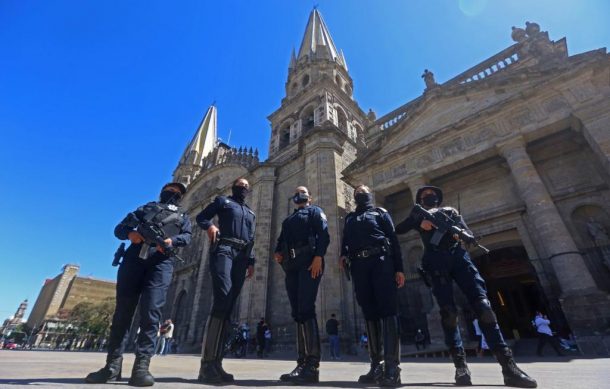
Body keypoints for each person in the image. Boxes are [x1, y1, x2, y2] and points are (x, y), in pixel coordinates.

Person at [395, 186, 537, 388]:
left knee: (484, 308)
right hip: (435, 261)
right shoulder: (418, 215)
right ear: (419, 199)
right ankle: (460, 367)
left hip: (459, 258)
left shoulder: (451, 212)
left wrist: (460, 235)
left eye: (431, 194)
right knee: (449, 314)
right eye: (424, 195)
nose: (429, 196)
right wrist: (419, 222)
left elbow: (467, 232)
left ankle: (509, 367)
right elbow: (399, 229)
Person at [85, 182, 192, 387]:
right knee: (122, 314)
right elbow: (120, 229)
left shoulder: (183, 217)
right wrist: (130, 234)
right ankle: (112, 367)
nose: (174, 194)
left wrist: (172, 242)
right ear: (163, 190)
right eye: (171, 189)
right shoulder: (145, 208)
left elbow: (187, 237)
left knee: (152, 314)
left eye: (178, 192)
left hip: (161, 263)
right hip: (134, 259)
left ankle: (141, 368)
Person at [340, 185, 405, 386]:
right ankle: (376, 365)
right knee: (369, 312)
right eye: (357, 191)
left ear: (369, 195)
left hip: (381, 261)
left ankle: (393, 368)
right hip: (359, 265)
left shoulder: (380, 213)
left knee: (388, 310)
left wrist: (399, 268)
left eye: (363, 191)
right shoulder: (350, 218)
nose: (360, 193)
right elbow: (345, 242)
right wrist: (343, 255)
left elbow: (393, 240)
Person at [196, 178, 256, 384]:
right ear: (234, 187)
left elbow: (251, 238)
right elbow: (202, 217)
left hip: (242, 256)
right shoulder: (223, 202)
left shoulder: (250, 212)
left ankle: (217, 364)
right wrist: (210, 227)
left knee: (229, 305)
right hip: (224, 250)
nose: (244, 187)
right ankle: (207, 364)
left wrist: (251, 261)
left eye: (247, 186)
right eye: (241, 184)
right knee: (223, 297)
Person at [274, 186, 330, 384]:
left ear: (309, 197)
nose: (300, 194)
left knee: (306, 308)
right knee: (298, 312)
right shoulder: (288, 220)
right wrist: (277, 253)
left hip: (309, 262)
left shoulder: (315, 211)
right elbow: (281, 241)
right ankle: (301, 363)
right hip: (292, 266)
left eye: (303, 191)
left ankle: (312, 365)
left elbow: (324, 235)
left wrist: (318, 257)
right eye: (297, 192)